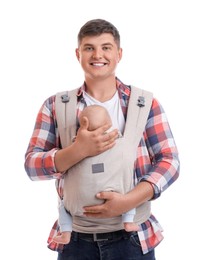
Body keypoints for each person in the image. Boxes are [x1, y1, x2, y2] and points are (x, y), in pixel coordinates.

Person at [24, 18, 180, 260]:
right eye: (89, 48)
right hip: (74, 239)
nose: (98, 54)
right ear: (78, 54)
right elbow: (32, 166)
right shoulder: (56, 106)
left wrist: (128, 201)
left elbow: (169, 161)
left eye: (106, 47)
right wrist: (78, 151)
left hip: (132, 238)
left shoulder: (144, 103)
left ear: (119, 54)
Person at [52, 104, 138, 245]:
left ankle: (66, 232)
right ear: (109, 124)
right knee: (129, 190)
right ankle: (128, 220)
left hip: (76, 207)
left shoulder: (74, 142)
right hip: (117, 197)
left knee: (63, 206)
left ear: (82, 125)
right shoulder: (117, 140)